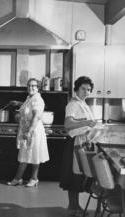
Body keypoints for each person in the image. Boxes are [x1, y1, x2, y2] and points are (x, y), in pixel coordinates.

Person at [59, 76, 97, 217]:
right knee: (74, 175)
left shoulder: (83, 103)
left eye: (88, 89)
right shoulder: (73, 104)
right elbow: (68, 125)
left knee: (79, 175)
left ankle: (75, 206)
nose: (86, 92)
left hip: (83, 142)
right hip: (76, 142)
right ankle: (73, 207)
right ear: (76, 89)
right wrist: (86, 123)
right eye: (83, 89)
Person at [7, 78, 49, 187]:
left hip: (33, 130)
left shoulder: (37, 100)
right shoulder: (30, 98)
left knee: (34, 155)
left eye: (33, 86)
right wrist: (18, 103)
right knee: (25, 154)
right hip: (27, 129)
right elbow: (28, 106)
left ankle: (33, 178)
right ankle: (19, 178)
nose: (31, 88)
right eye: (29, 86)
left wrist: (29, 131)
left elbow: (36, 116)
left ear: (38, 88)